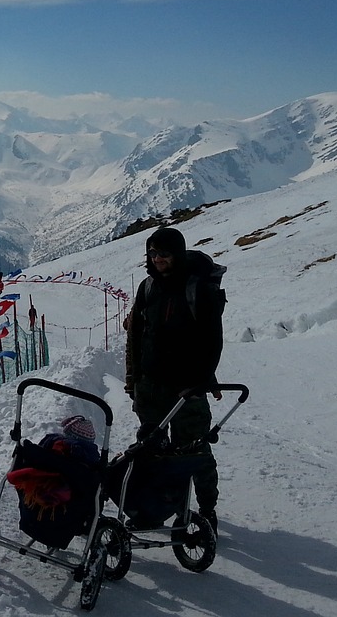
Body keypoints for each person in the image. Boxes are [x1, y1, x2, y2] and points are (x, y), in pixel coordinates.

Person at [124, 226, 227, 532]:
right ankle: (151, 506)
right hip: (150, 387)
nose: (158, 260)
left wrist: (202, 379)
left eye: (164, 254)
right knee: (150, 450)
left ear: (177, 254)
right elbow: (135, 337)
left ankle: (207, 509)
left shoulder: (198, 290)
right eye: (152, 253)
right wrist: (133, 377)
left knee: (194, 451)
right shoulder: (147, 289)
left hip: (188, 389)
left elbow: (212, 342)